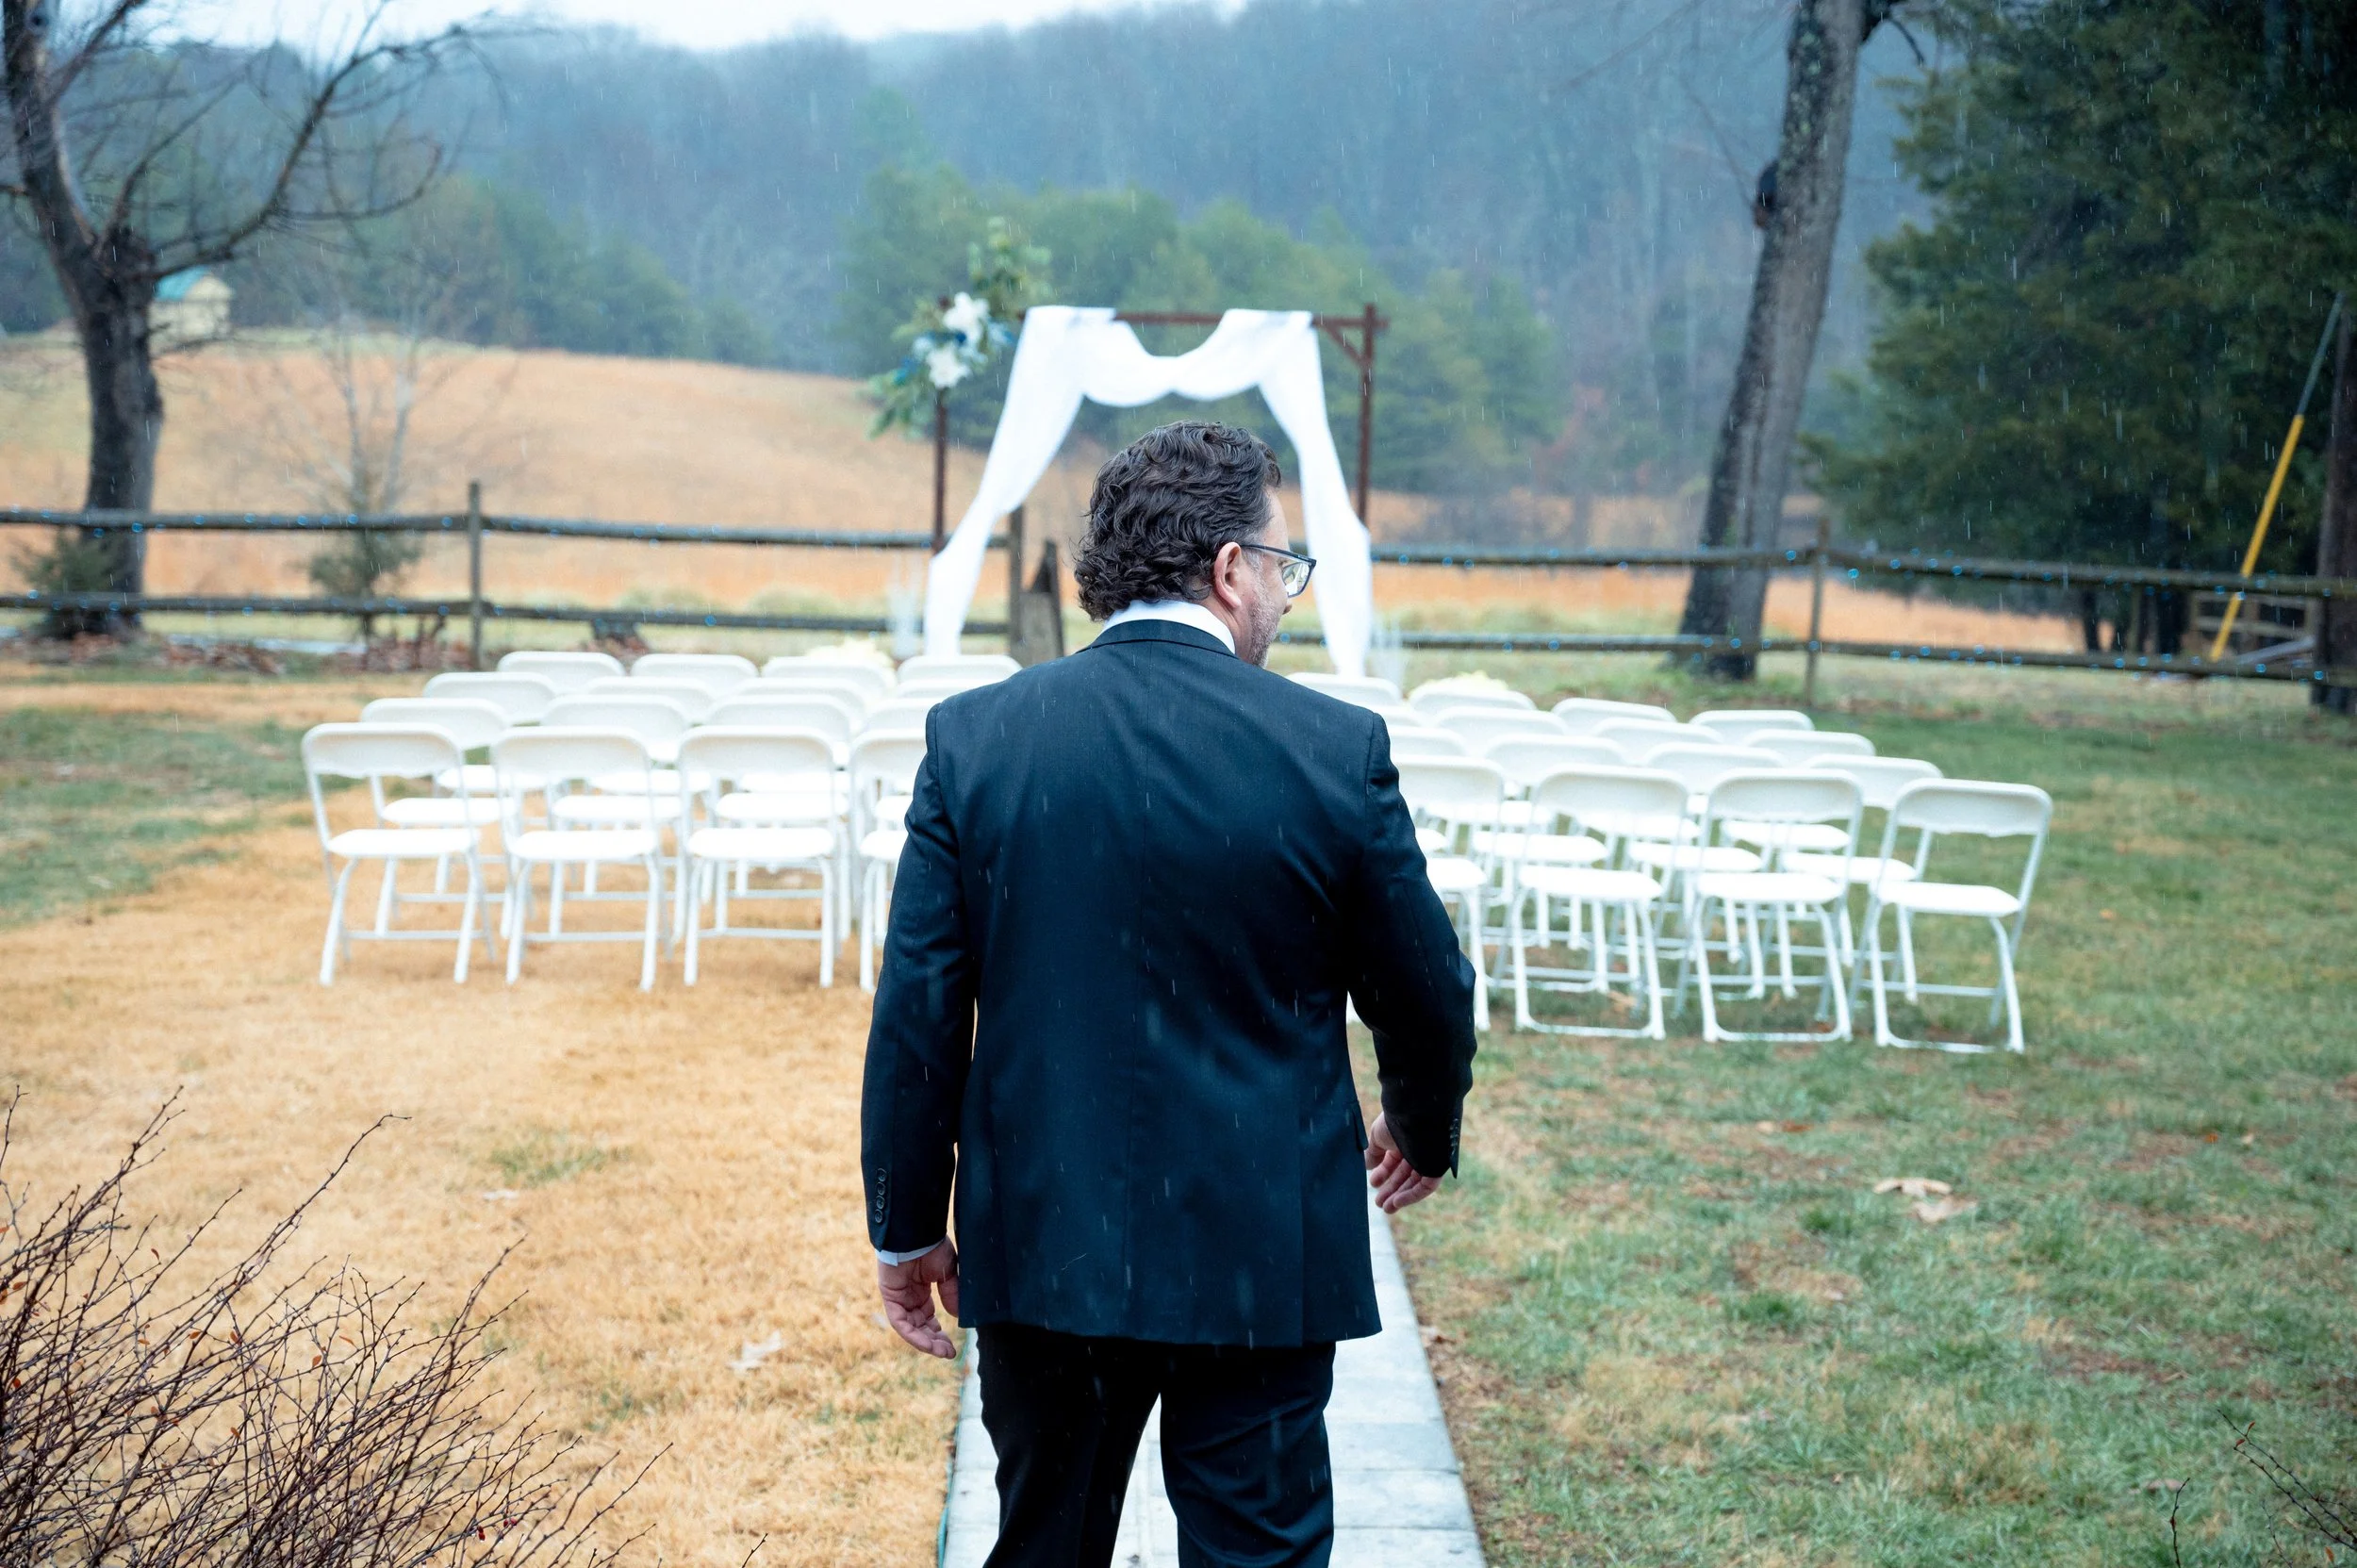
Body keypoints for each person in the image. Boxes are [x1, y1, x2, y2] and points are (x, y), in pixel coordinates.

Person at [860, 420, 1476, 1568]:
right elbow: (1428, 987)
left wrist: (904, 1225)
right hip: (1260, 1245)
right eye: (1283, 567)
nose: (1287, 596)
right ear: (1229, 568)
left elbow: (918, 1019)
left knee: (1042, 1548)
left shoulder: (980, 741)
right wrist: (1423, 1127)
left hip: (1050, 1242)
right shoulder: (1329, 748)